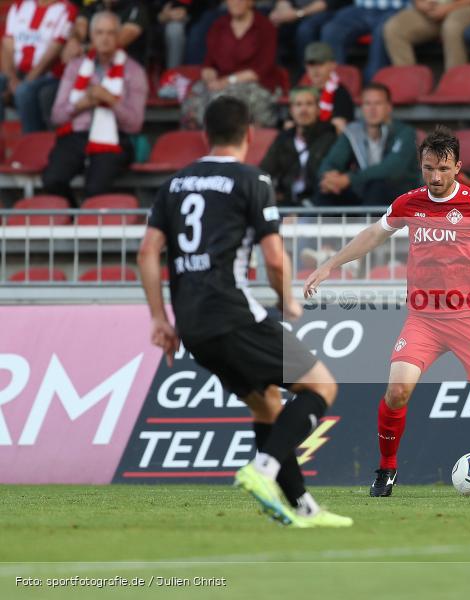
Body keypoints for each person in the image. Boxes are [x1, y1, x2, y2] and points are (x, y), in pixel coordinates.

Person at [304, 126, 470, 498]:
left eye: (443, 169)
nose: (436, 177)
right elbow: (373, 235)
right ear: (421, 166)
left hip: (469, 318)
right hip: (423, 319)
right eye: (429, 168)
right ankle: (387, 470)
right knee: (397, 390)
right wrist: (331, 264)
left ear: (457, 166)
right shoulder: (409, 202)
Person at [137, 95, 353, 528]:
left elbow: (147, 252)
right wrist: (288, 299)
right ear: (250, 135)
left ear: (204, 134)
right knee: (321, 387)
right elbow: (274, 258)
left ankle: (302, 508)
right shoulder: (251, 179)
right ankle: (264, 468)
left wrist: (160, 319)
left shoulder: (175, 183)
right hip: (233, 313)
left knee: (266, 405)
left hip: (193, 324)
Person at [43, 11, 147, 204]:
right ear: (92, 36)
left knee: (95, 188)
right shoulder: (76, 67)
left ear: (118, 37)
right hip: (77, 134)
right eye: (99, 33)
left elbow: (135, 124)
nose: (105, 38)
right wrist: (83, 103)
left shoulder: (134, 71)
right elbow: (57, 116)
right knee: (52, 179)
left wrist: (111, 101)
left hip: (116, 138)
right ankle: (72, 221)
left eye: (110, 33)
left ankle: (87, 227)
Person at [315, 82, 419, 206]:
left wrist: (349, 179)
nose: (372, 109)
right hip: (364, 193)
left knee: (377, 186)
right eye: (367, 103)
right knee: (326, 191)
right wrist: (329, 177)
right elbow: (331, 161)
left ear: (389, 107)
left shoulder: (405, 132)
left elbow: (392, 168)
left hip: (402, 197)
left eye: (378, 103)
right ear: (362, 108)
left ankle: (370, 225)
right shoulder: (353, 131)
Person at [181, 0, 280, 128]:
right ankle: (196, 140)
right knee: (192, 99)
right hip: (221, 81)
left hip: (254, 83)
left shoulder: (265, 27)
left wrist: (228, 81)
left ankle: (225, 140)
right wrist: (208, 73)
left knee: (222, 99)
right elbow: (209, 62)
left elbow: (262, 69)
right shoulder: (219, 25)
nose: (236, 2)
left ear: (250, 2)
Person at [0, 0, 76, 133]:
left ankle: (31, 141)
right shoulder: (19, 6)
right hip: (17, 72)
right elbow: (7, 45)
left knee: (24, 91)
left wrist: (25, 82)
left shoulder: (66, 9)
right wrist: (12, 79)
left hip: (48, 75)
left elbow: (53, 52)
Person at [260, 86, 337, 205]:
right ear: (291, 110)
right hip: (287, 203)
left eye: (309, 104)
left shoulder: (330, 138)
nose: (303, 109)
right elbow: (264, 172)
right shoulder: (282, 139)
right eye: (298, 104)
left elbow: (330, 181)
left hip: (318, 205)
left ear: (318, 109)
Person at [383, 0, 470, 72]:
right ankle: (407, 81)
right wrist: (420, 3)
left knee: (451, 27)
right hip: (431, 10)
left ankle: (455, 81)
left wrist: (448, 8)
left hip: (466, 7)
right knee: (395, 27)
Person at [320, 0, 407, 82]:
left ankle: (373, 86)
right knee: (332, 30)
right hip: (360, 8)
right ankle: (337, 86)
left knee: (381, 33)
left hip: (396, 8)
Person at [269, 0, 350, 78]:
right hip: (293, 9)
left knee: (306, 30)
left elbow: (329, 3)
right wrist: (282, 8)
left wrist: (297, 14)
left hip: (325, 10)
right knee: (263, 19)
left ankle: (307, 77)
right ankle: (272, 76)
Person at [65, 0, 150, 63]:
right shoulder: (93, 6)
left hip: (126, 69)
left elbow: (116, 41)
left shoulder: (136, 8)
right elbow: (79, 28)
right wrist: (74, 41)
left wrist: (83, 49)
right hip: (88, 65)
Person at [302, 41, 354, 133]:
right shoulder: (301, 93)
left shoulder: (340, 93)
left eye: (320, 64)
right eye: (311, 65)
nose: (315, 70)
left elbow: (340, 128)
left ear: (333, 65)